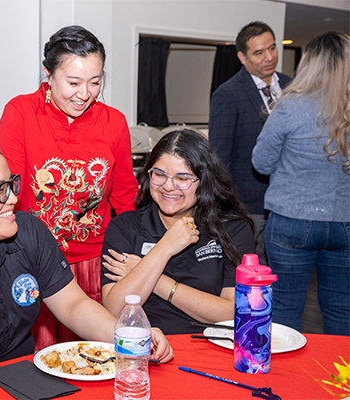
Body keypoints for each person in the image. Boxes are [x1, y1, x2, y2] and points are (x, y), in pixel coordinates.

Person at [0, 138, 173, 398]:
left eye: (11, 184)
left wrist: (129, 338)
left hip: (20, 378)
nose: (12, 198)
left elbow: (73, 306)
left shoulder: (26, 231)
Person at [0, 25, 138, 348]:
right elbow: (10, 195)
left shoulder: (113, 123)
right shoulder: (20, 113)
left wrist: (128, 256)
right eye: (73, 82)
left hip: (92, 260)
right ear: (48, 73)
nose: (84, 93)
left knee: (93, 355)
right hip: (33, 259)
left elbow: (125, 195)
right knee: (37, 358)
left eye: (95, 82)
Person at [101, 130, 256, 334]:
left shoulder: (232, 227)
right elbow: (113, 310)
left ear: (205, 180)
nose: (168, 186)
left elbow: (233, 312)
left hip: (211, 348)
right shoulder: (124, 227)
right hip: (144, 349)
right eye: (159, 174)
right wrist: (164, 248)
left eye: (182, 178)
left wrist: (155, 278)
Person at [252, 32, 350, 336]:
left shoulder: (290, 107)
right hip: (344, 223)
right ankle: (340, 381)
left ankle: (287, 383)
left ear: (310, 64)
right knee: (341, 310)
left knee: (284, 310)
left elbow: (261, 163)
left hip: (292, 221)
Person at [209, 21, 292, 267]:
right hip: (250, 203)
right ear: (242, 57)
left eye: (272, 48)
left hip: (290, 200)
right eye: (259, 52)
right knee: (252, 271)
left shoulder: (293, 86)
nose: (269, 57)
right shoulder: (228, 94)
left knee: (285, 270)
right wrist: (230, 206)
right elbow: (220, 157)